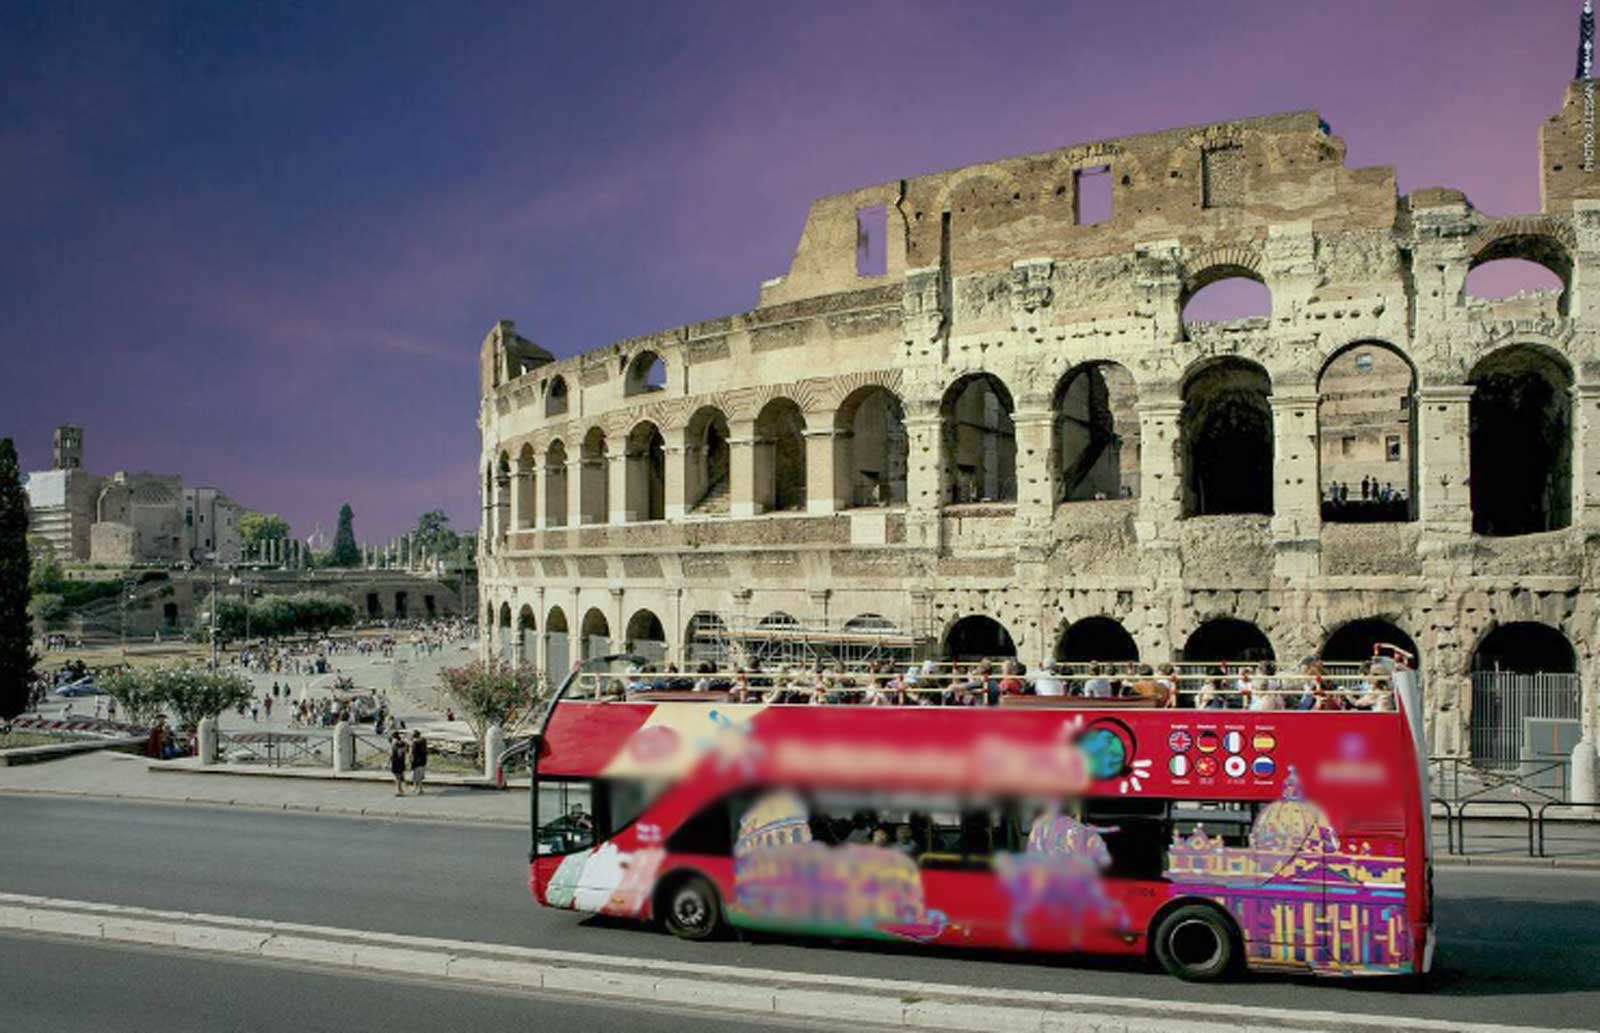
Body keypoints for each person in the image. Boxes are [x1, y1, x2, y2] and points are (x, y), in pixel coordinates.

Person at [388, 732, 408, 796]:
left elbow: (391, 755)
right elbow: (405, 751)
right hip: (401, 761)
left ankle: (399, 790)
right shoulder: (403, 743)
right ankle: (401, 789)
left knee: (397, 777)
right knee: (399, 775)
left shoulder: (394, 744)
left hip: (395, 761)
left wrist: (388, 762)